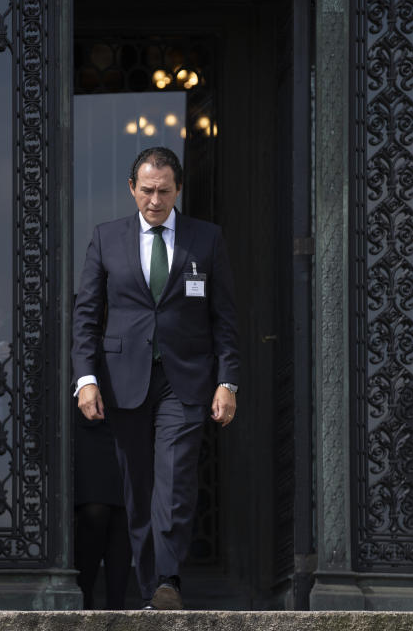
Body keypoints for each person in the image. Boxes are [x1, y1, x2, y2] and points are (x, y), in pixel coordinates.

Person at [71, 147, 239, 610]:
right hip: (123, 381)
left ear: (178, 189)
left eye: (164, 191)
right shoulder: (107, 239)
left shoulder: (206, 240)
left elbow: (224, 317)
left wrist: (229, 381)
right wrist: (85, 378)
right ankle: (152, 590)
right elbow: (86, 316)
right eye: (147, 190)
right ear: (132, 189)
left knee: (175, 479)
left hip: (185, 381)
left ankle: (168, 579)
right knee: (137, 488)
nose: (155, 199)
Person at [73, 411, 131, 609]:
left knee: (124, 515)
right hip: (86, 413)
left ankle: (117, 610)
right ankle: (83, 601)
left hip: (131, 415)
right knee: (94, 511)